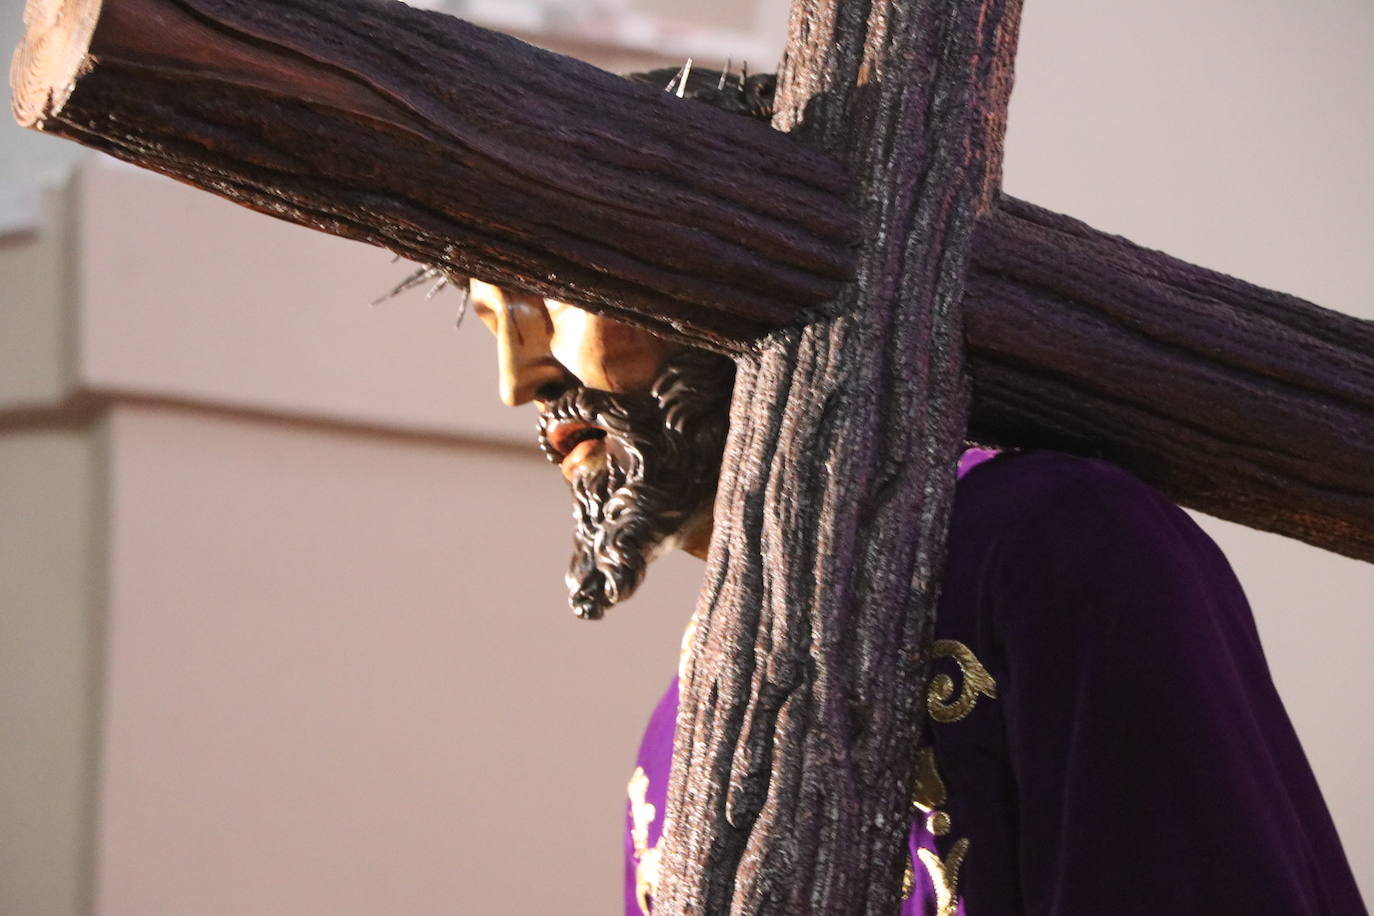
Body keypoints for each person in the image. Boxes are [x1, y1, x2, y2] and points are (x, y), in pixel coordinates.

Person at [463, 70, 1367, 916]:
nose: (516, 380)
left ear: (723, 262)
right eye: (492, 321)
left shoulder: (1050, 541)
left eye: (551, 293)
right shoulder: (677, 725)